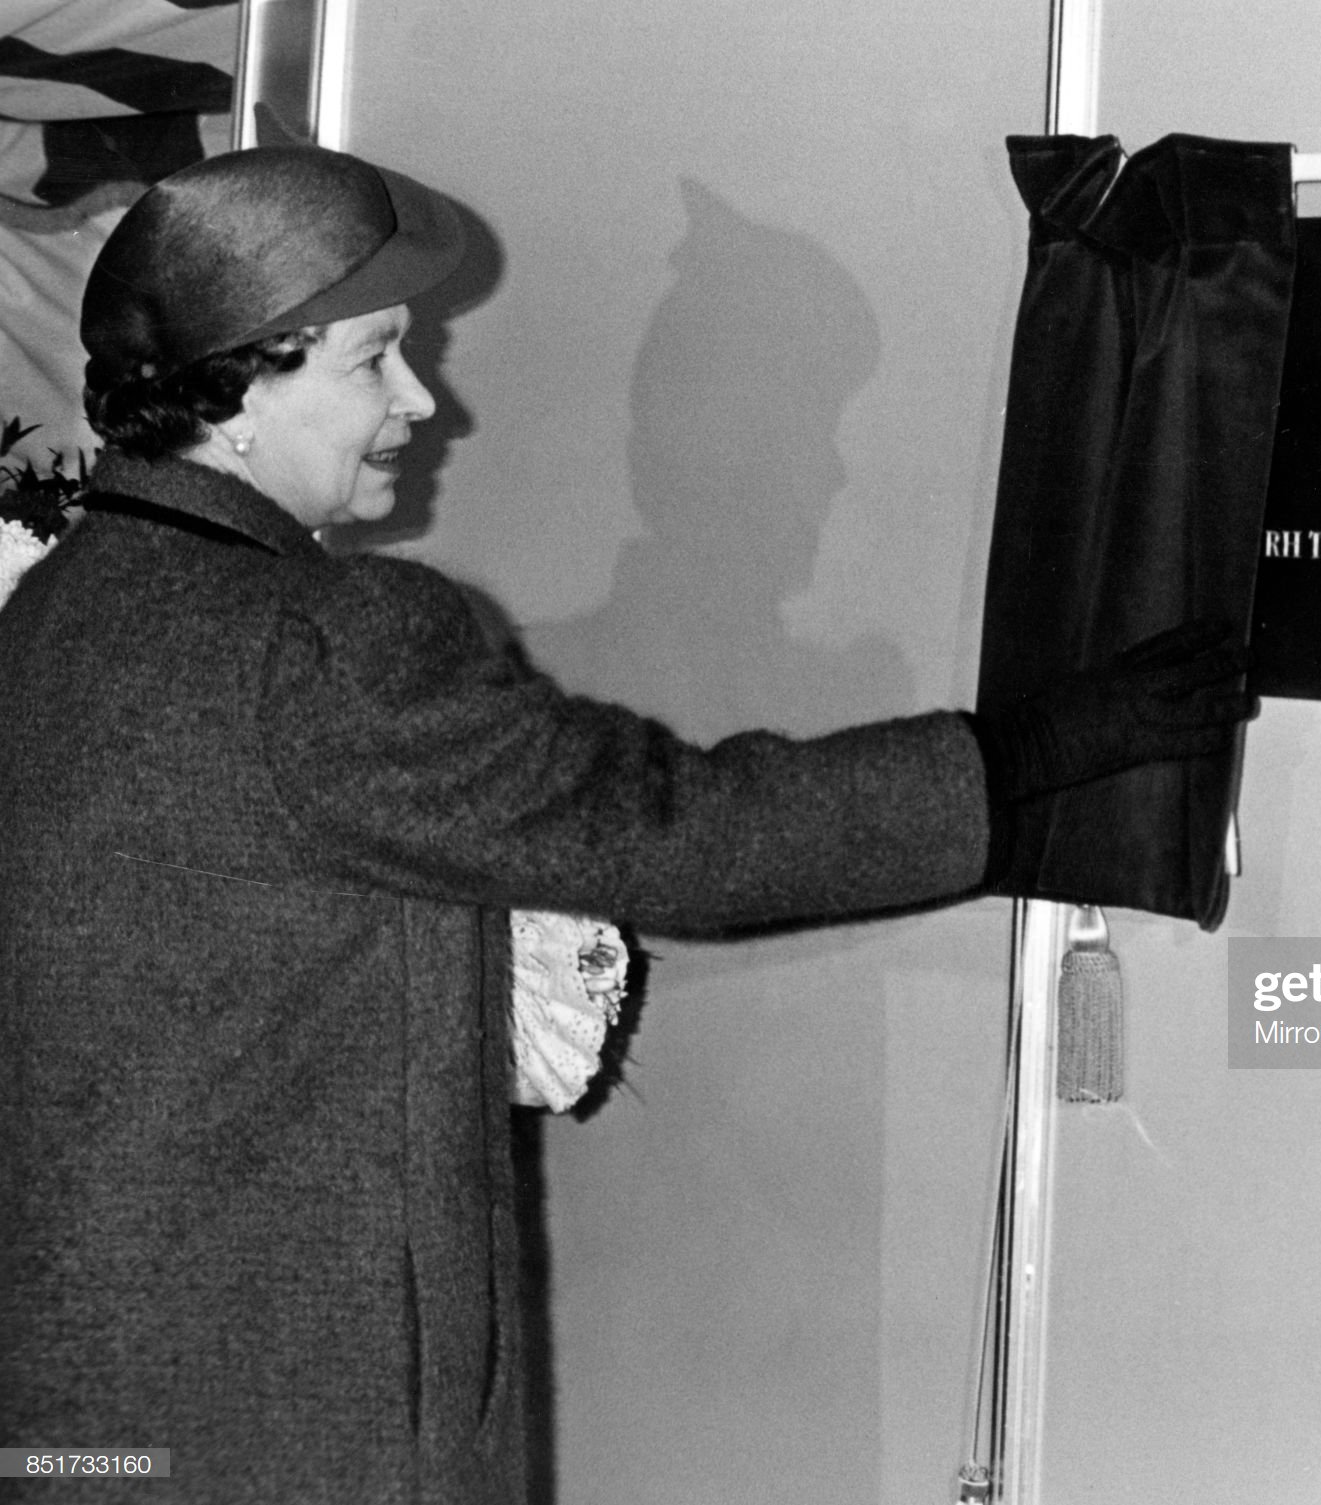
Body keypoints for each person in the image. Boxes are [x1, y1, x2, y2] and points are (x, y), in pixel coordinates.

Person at [0, 145, 1253, 1503]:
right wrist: (1041, 745)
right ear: (244, 385)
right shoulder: (322, 642)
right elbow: (677, 833)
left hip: (85, 1430)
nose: (424, 401)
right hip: (294, 1441)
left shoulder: (56, 615)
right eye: (375, 359)